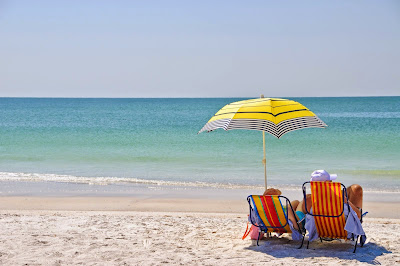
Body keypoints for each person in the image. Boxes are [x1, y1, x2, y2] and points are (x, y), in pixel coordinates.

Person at [300, 170, 366, 242]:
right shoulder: (341, 202)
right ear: (328, 183)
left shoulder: (309, 201)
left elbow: (306, 217)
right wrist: (347, 201)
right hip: (344, 233)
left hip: (320, 232)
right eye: (330, 181)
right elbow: (358, 216)